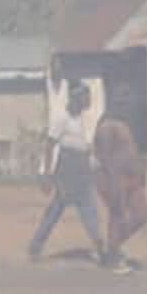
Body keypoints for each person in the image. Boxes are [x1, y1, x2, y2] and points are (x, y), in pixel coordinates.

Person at [29, 81, 107, 264]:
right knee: (63, 209)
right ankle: (36, 246)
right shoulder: (61, 118)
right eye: (85, 98)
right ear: (76, 99)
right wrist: (46, 174)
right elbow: (49, 146)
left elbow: (81, 144)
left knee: (84, 207)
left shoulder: (80, 118)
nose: (88, 101)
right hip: (67, 169)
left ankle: (99, 245)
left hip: (80, 168)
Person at [93, 113, 147, 274]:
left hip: (132, 177)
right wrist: (114, 183)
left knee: (142, 215)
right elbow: (106, 157)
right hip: (115, 177)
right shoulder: (106, 127)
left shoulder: (125, 124)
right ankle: (112, 257)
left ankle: (111, 248)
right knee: (117, 216)